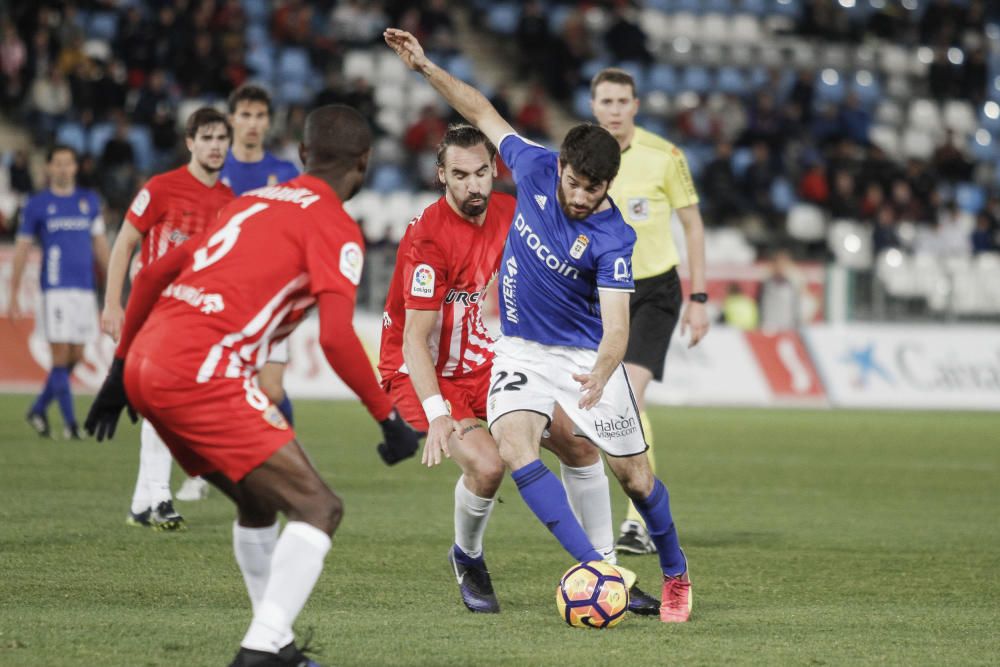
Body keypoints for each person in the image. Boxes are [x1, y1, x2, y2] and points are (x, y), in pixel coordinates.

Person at [84, 104, 420, 667]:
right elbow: (337, 339)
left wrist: (120, 372)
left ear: (303, 156)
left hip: (151, 359)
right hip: (202, 371)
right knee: (319, 509)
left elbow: (153, 273)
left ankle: (277, 642)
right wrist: (387, 418)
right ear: (364, 164)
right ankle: (260, 652)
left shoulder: (252, 201)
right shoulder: (336, 227)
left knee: (259, 503)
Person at [385, 28, 693, 622]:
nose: (579, 195)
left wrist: (603, 373)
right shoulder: (532, 166)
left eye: (592, 188)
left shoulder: (614, 238)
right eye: (574, 182)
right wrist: (425, 66)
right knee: (515, 448)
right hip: (522, 350)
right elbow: (478, 107)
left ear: (610, 183)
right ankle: (601, 572)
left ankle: (675, 569)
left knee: (635, 478)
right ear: (564, 167)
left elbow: (616, 330)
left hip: (583, 358)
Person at [588, 68, 710, 555]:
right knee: (593, 409)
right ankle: (605, 515)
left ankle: (638, 518)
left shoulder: (666, 156)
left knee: (630, 397)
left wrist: (699, 299)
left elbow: (694, 226)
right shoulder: (580, 157)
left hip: (654, 290)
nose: (614, 110)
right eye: (606, 101)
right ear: (593, 106)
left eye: (622, 101)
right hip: (599, 293)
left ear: (636, 105)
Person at [101, 107, 236, 530]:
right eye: (207, 138)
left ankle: (143, 502)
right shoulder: (160, 188)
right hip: (154, 309)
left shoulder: (229, 201)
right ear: (189, 142)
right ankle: (160, 497)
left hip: (195, 315)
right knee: (163, 401)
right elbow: (124, 243)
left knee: (168, 403)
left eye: (221, 139)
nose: (215, 146)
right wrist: (112, 304)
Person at [8, 145, 109, 439]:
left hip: (85, 290)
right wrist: (14, 292)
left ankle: (39, 408)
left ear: (76, 168)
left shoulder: (88, 201)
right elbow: (22, 250)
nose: (64, 169)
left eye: (69, 163)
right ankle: (71, 425)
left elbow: (100, 245)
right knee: (60, 356)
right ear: (49, 168)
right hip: (54, 289)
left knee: (76, 355)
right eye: (58, 164)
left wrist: (116, 285)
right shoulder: (37, 204)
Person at [220, 84, 299, 446]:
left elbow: (298, 231)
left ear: (268, 122)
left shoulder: (284, 172)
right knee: (217, 387)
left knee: (271, 388)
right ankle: (202, 473)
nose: (253, 123)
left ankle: (289, 457)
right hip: (220, 294)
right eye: (246, 115)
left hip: (269, 295)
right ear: (232, 119)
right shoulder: (214, 168)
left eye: (260, 116)